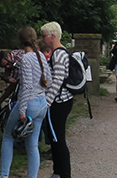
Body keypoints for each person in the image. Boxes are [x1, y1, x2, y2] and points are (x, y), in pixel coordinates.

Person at [0, 26, 50, 178]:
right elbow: (49, 80)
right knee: (33, 145)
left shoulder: (26, 59)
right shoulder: (40, 56)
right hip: (41, 104)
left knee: (8, 137)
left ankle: (3, 175)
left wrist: (22, 110)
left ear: (20, 40)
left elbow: (26, 85)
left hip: (29, 103)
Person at [41, 21, 73, 178]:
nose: (42, 39)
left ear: (52, 36)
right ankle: (58, 172)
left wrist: (48, 102)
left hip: (60, 101)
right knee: (55, 138)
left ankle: (63, 174)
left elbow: (58, 79)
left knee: (58, 139)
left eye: (44, 36)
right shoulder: (59, 52)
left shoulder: (59, 54)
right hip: (60, 100)